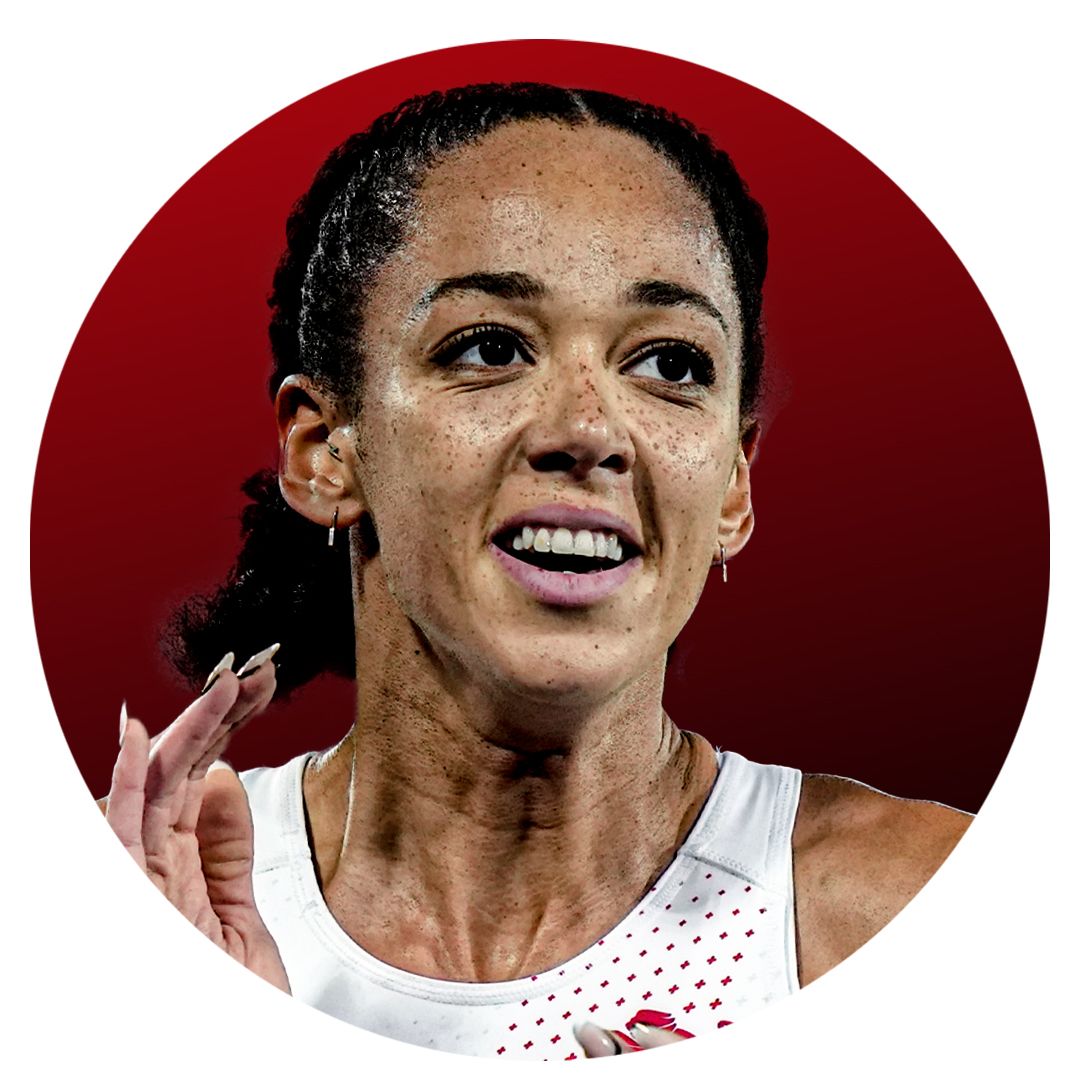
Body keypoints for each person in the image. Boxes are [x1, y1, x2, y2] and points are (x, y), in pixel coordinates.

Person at [102, 83, 969, 1060]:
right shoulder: (125, 905)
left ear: (732, 484)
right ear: (324, 453)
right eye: (490, 348)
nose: (588, 430)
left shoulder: (924, 914)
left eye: (671, 365)